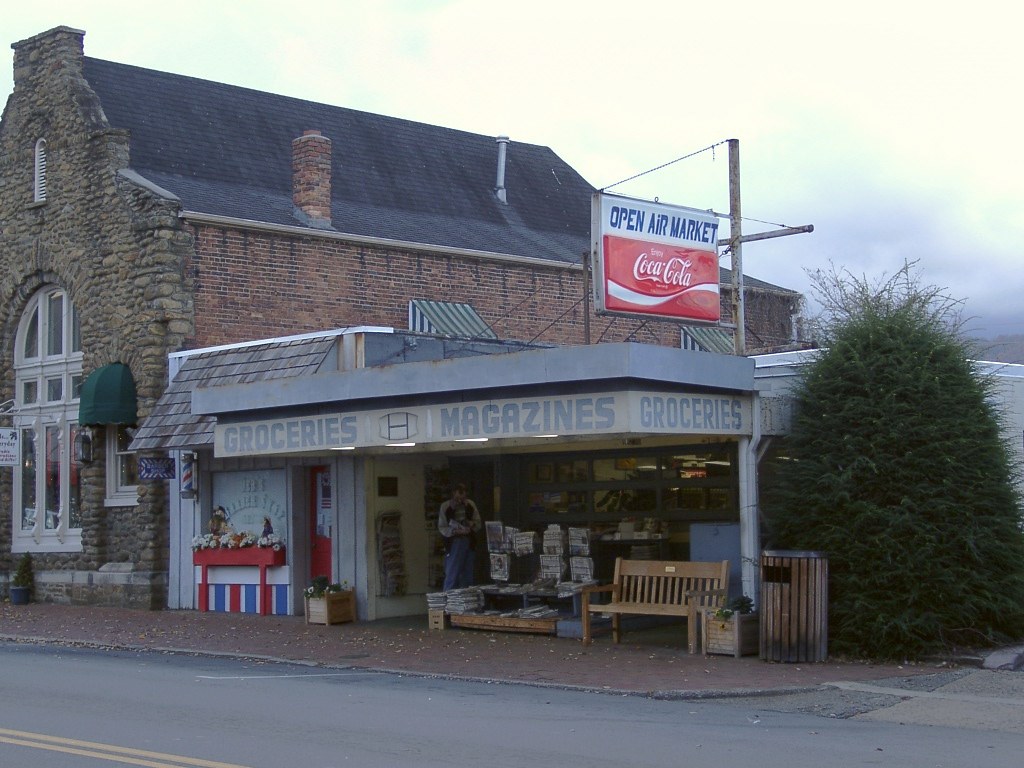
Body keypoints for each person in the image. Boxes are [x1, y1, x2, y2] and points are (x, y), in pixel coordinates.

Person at [437, 483, 481, 590]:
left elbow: (478, 523)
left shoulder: (470, 505)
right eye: (458, 496)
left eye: (463, 496)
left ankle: (465, 600)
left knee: (467, 576)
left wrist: (471, 525)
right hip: (454, 543)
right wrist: (454, 531)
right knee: (452, 574)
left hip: (469, 541)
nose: (460, 499)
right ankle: (448, 600)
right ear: (453, 494)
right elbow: (442, 527)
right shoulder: (446, 506)